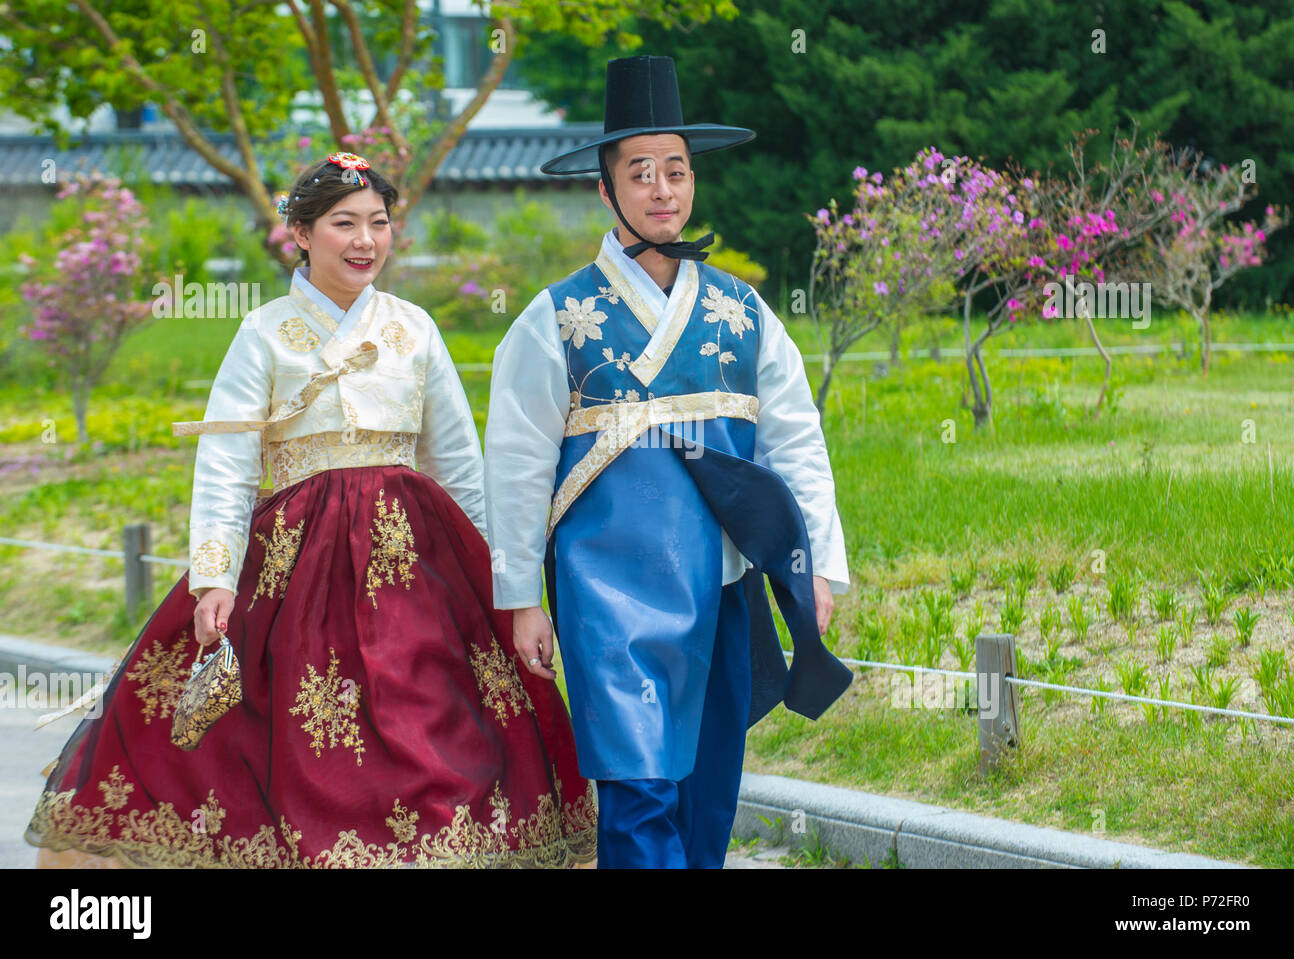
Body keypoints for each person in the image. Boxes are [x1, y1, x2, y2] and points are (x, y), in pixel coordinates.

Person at [26, 152, 596, 868]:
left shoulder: (414, 328)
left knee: (434, 735)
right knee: (302, 749)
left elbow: (457, 465)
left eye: (379, 223)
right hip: (295, 573)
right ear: (300, 232)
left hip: (414, 566)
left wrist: (501, 584)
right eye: (343, 224)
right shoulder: (263, 333)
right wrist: (214, 578)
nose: (365, 241)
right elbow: (227, 468)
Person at [484, 56, 852, 869]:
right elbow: (513, 465)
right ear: (605, 190)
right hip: (606, 597)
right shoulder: (556, 321)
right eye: (640, 172)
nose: (662, 190)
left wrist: (816, 565)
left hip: (722, 587)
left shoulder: (744, 314)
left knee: (707, 789)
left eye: (676, 171)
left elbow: (796, 440)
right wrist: (521, 598)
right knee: (638, 786)